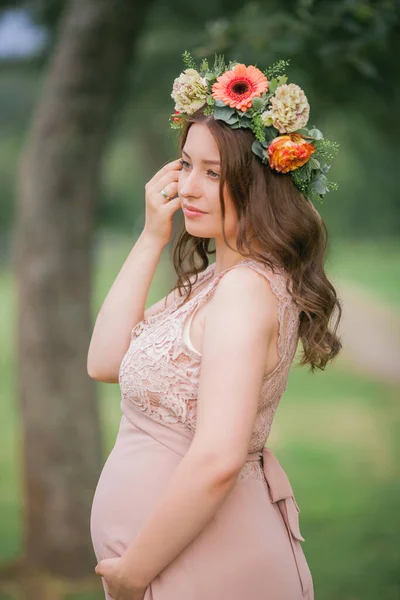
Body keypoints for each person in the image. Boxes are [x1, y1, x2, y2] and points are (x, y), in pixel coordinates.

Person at [88, 54, 342, 600]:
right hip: (177, 566)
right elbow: (105, 360)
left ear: (260, 184)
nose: (191, 188)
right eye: (186, 165)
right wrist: (153, 234)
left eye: (215, 173)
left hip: (211, 567)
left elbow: (219, 458)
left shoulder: (246, 291)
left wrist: (134, 574)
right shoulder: (212, 280)